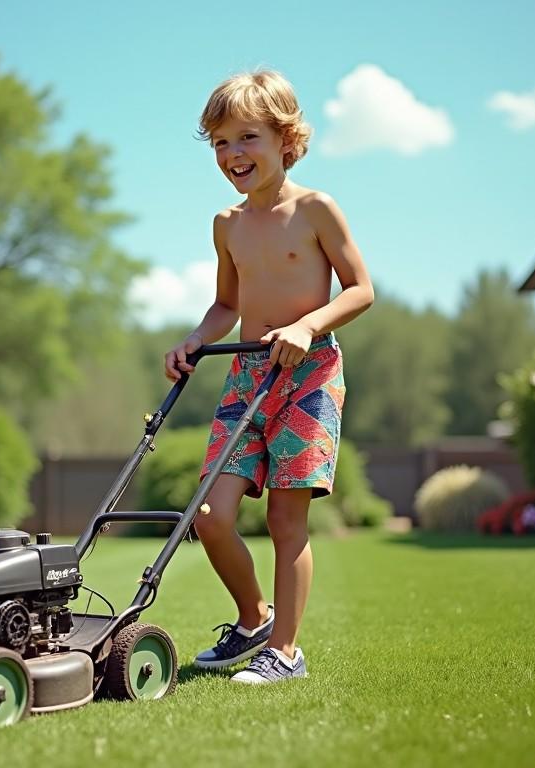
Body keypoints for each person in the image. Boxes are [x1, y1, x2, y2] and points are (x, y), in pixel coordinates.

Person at [164, 70, 374, 684]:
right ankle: (254, 617)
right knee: (210, 516)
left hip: (310, 375)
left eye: (246, 138)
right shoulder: (226, 224)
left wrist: (308, 325)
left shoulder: (315, 209)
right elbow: (226, 305)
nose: (232, 155)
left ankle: (285, 652)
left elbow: (361, 289)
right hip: (247, 375)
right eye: (221, 143)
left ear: (285, 139)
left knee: (287, 520)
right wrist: (196, 340)